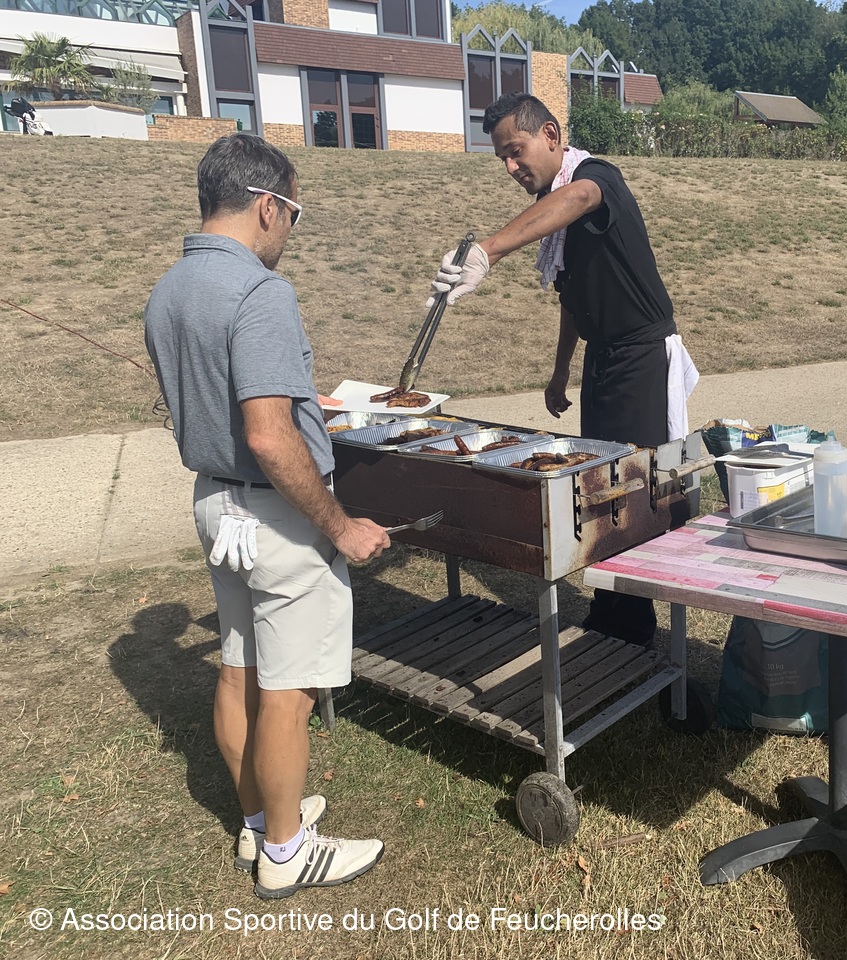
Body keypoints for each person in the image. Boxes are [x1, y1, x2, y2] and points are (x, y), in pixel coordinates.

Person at [144, 133, 390, 900]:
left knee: (240, 668)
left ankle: (259, 820)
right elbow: (268, 436)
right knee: (290, 688)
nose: (290, 229)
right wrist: (340, 527)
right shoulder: (260, 292)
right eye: (294, 213)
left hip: (217, 504)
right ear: (266, 206)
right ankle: (287, 852)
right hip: (276, 513)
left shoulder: (169, 288)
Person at [433, 93, 697, 649]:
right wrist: (560, 373)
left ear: (551, 135)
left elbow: (580, 195)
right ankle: (611, 613)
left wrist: (488, 251)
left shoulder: (595, 178)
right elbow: (572, 301)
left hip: (641, 357)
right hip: (603, 358)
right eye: (502, 158)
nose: (511, 167)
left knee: (634, 493)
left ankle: (636, 630)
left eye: (516, 151)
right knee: (597, 485)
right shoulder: (556, 216)